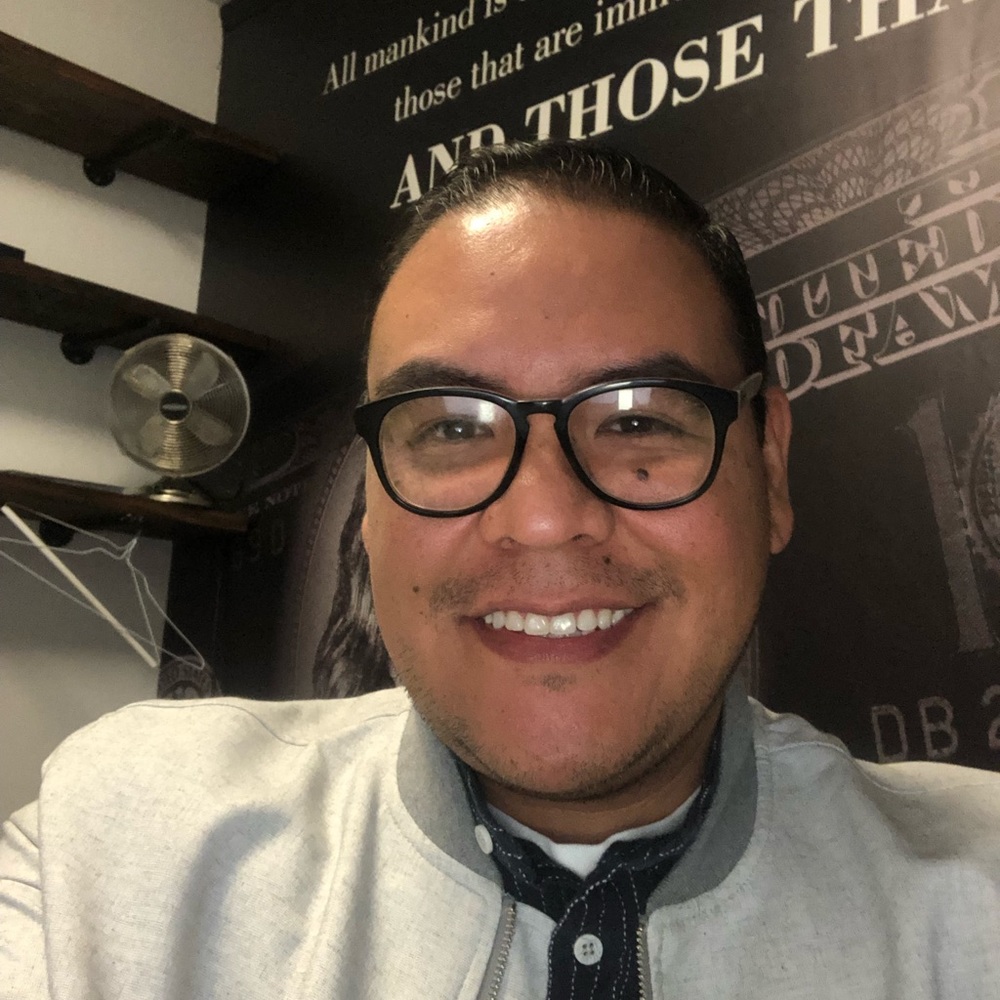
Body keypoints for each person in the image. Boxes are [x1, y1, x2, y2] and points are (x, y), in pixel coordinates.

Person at [2, 140, 999, 1000]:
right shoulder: (122, 846)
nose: (544, 518)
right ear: (372, 506)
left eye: (637, 421)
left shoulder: (976, 893)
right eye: (450, 428)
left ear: (768, 468)